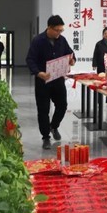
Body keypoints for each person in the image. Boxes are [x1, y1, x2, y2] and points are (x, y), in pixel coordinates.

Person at [26, 15, 76, 149]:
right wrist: (39, 73)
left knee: (62, 105)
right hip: (43, 81)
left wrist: (72, 60)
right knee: (43, 110)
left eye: (61, 30)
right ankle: (46, 137)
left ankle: (53, 126)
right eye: (57, 30)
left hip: (58, 79)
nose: (59, 33)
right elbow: (30, 59)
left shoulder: (62, 40)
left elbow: (70, 53)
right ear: (49, 28)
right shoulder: (38, 41)